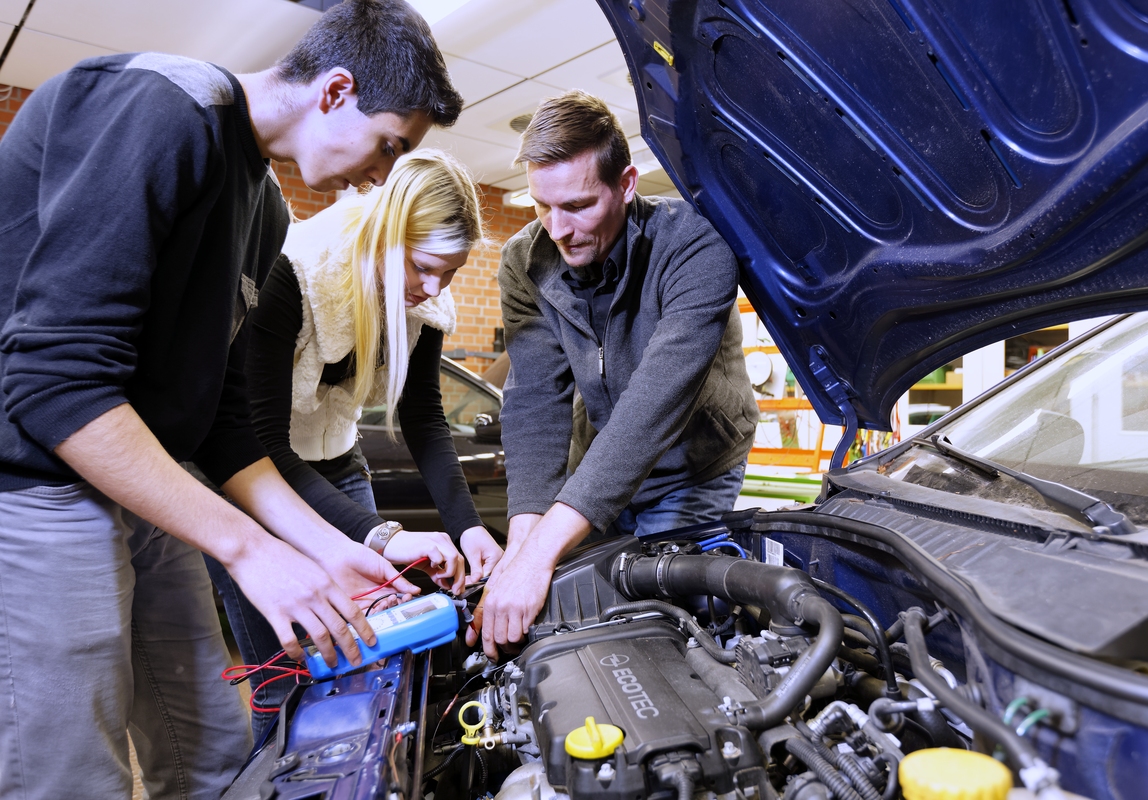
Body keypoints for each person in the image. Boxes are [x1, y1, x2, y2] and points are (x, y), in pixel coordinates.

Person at [0, 1, 462, 797]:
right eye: (390, 143)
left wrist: (335, 550)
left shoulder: (265, 210)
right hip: (40, 480)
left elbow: (219, 422)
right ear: (335, 91)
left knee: (214, 752)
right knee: (75, 771)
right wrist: (252, 552)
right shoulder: (160, 106)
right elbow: (54, 382)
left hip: (149, 480)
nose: (383, 175)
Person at [213, 149, 504, 737]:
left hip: (339, 463)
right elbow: (262, 438)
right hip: (260, 479)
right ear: (387, 233)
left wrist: (470, 527)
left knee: (364, 654)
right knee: (291, 672)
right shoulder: (294, 272)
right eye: (425, 267)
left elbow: (424, 417)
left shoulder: (426, 300)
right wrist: (385, 535)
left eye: (450, 273)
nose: (434, 287)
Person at [473, 90, 758, 659]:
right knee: (572, 601)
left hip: (690, 466)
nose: (558, 228)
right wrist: (524, 543)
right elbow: (533, 400)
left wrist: (540, 551)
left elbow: (654, 406)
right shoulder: (525, 261)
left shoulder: (694, 245)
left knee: (668, 619)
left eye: (578, 206)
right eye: (540, 206)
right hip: (596, 461)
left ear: (626, 185)